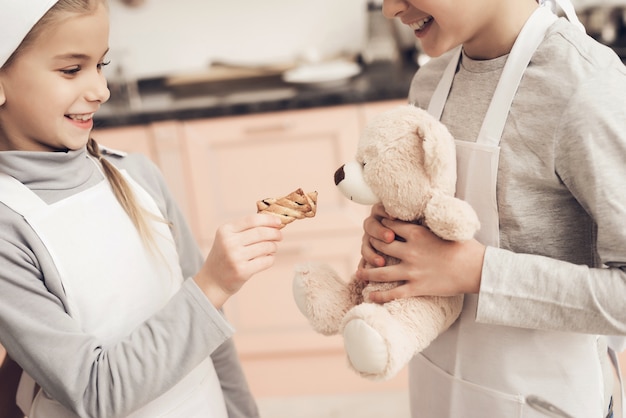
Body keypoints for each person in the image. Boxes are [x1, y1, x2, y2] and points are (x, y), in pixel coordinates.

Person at [0, 1, 284, 417]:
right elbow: (95, 392)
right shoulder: (8, 229)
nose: (101, 89)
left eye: (101, 64)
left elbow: (210, 335)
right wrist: (214, 285)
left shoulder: (138, 175)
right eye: (71, 69)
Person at [358, 0, 626, 417]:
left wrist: (478, 272)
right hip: (438, 394)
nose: (391, 9)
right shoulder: (428, 84)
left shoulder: (585, 87)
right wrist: (390, 237)